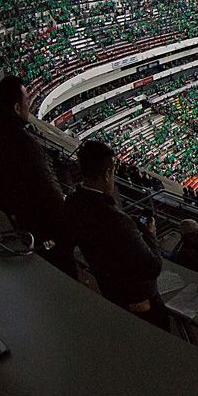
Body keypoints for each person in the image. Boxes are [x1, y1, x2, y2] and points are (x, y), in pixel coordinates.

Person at [64, 141, 169, 330]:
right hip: (139, 300)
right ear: (106, 174)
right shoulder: (115, 220)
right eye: (112, 173)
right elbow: (153, 266)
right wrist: (150, 234)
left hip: (109, 291)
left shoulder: (72, 202)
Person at [0, 75, 75, 277]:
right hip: (37, 231)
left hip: (13, 224)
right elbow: (50, 196)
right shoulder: (26, 144)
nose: (29, 105)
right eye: (27, 100)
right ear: (16, 107)